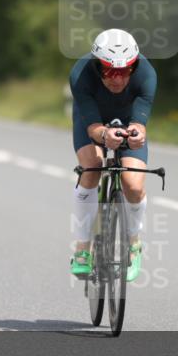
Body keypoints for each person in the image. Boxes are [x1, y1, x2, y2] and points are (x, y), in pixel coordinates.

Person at [68, 29, 157, 282]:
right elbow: (92, 126)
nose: (117, 79)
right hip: (93, 118)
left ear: (134, 65)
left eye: (125, 71)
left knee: (133, 184)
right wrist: (104, 135)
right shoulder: (80, 74)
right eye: (109, 71)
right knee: (92, 166)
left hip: (127, 118)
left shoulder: (147, 74)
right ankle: (83, 248)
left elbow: (140, 122)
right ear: (98, 67)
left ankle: (135, 243)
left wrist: (138, 133)